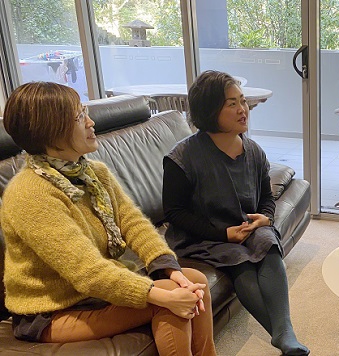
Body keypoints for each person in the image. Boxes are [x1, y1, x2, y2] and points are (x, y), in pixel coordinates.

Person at [0, 82, 216, 356]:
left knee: (192, 280)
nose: (91, 122)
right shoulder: (31, 194)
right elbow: (87, 271)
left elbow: (133, 224)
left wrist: (169, 268)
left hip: (94, 295)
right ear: (50, 131)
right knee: (169, 299)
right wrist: (166, 294)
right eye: (79, 117)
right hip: (52, 312)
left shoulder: (93, 172)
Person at [162, 70, 309, 356]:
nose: (242, 110)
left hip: (245, 228)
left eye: (242, 101)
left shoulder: (253, 151)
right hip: (203, 235)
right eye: (232, 104)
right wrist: (222, 233)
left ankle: (284, 332)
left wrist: (265, 217)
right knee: (238, 259)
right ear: (209, 109)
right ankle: (284, 334)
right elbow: (174, 212)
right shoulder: (182, 157)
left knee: (267, 241)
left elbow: (267, 198)